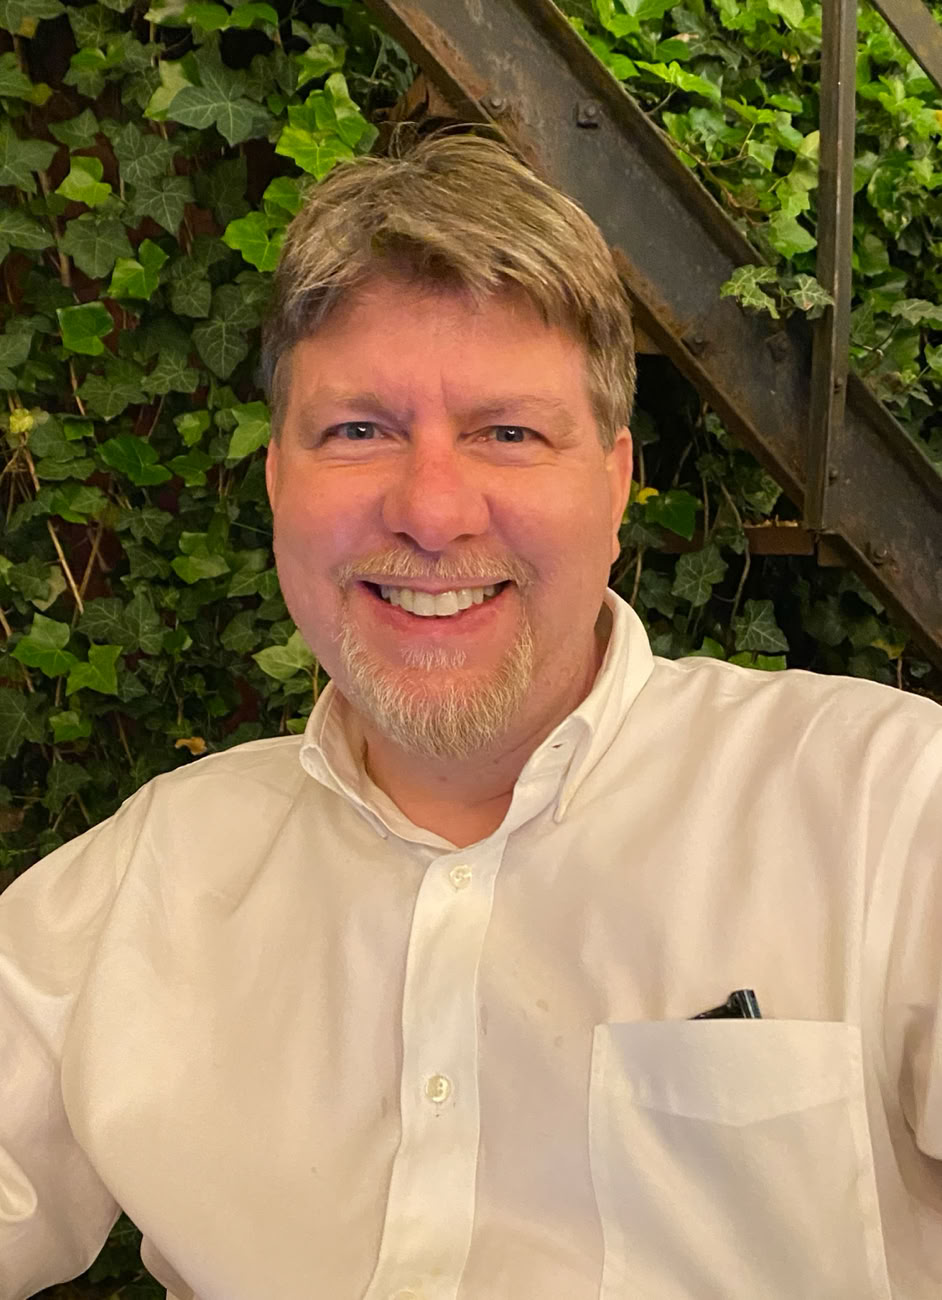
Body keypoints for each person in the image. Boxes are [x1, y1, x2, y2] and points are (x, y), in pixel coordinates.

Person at [1, 133, 940, 1300]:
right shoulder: (153, 875)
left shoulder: (889, 808)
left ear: (614, 484)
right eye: (359, 431)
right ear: (278, 482)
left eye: (508, 432)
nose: (433, 511)